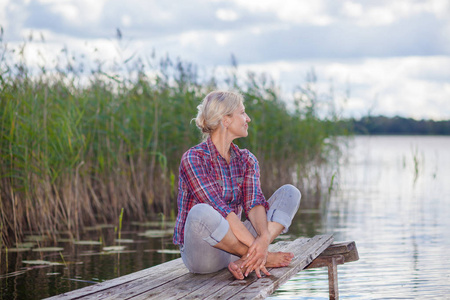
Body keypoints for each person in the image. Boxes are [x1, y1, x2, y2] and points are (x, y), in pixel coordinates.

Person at [173, 90, 301, 280]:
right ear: (226, 120)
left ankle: (249, 258)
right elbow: (224, 214)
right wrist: (259, 250)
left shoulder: (246, 159)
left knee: (290, 193)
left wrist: (263, 242)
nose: (248, 118)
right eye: (242, 112)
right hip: (203, 255)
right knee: (201, 212)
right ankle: (259, 257)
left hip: (234, 244)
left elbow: (254, 204)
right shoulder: (193, 158)